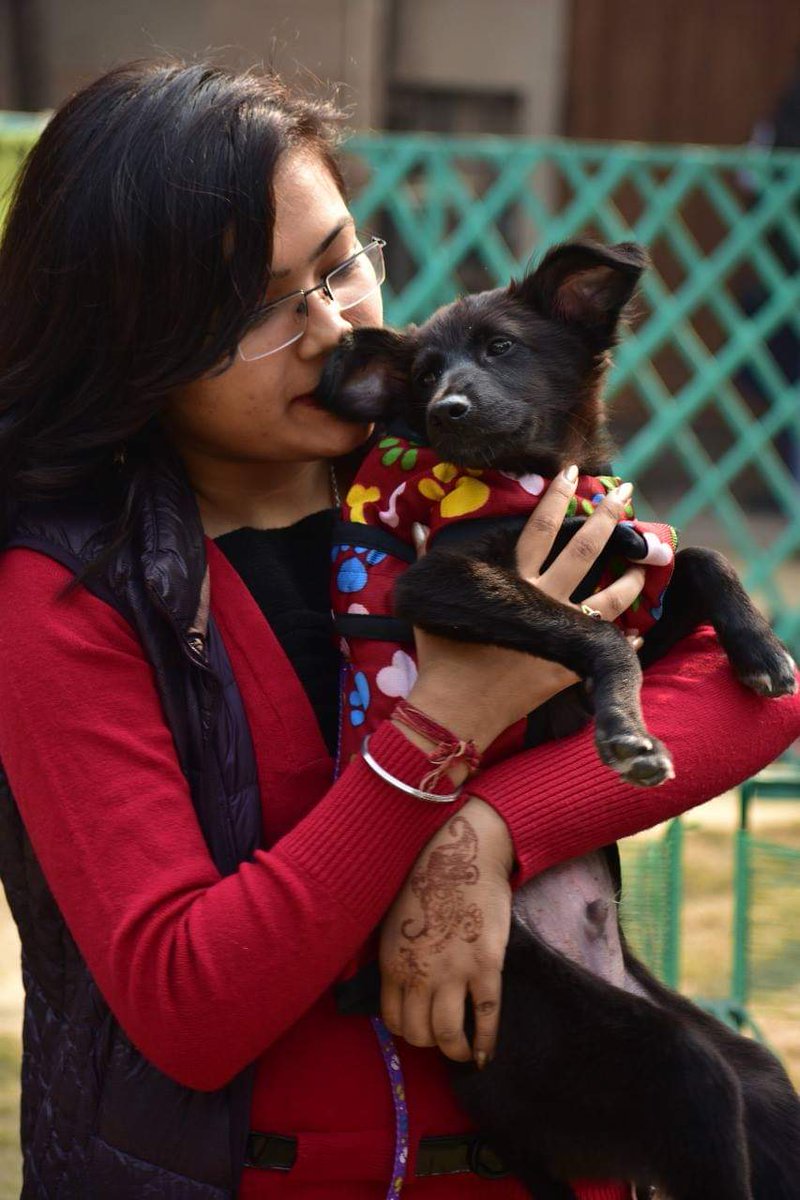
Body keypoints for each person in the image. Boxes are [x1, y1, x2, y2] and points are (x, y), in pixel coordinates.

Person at [0, 60, 797, 1200]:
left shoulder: (444, 481)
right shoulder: (72, 591)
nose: (331, 328)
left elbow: (750, 688)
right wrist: (443, 727)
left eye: (339, 265)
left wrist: (486, 831)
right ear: (135, 339)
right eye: (261, 309)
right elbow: (189, 1002)